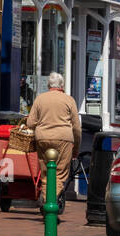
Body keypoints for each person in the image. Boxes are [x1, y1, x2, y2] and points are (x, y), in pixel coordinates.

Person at [24, 73, 80, 212]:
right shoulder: (69, 100)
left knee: (45, 173)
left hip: (42, 138)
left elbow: (30, 123)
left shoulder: (40, 99)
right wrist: (76, 148)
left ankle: (45, 198)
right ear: (62, 86)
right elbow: (77, 128)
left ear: (49, 85)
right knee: (60, 172)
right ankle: (51, 200)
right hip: (63, 139)